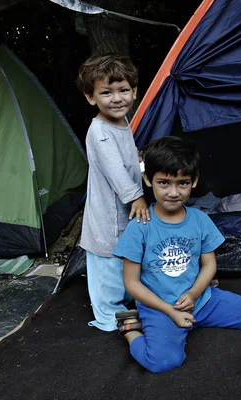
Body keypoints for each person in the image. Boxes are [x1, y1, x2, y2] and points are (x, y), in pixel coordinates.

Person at [112, 136, 241, 374]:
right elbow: (131, 282)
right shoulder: (140, 226)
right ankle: (131, 330)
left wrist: (193, 293)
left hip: (202, 301)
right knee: (162, 362)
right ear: (148, 179)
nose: (173, 192)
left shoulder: (200, 219)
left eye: (183, 183)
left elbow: (209, 265)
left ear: (194, 181)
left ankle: (191, 318)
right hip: (160, 309)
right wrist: (170, 311)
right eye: (164, 183)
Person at [77, 53, 150, 332]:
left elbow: (128, 156)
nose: (117, 99)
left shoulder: (121, 122)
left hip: (124, 208)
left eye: (124, 91)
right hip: (108, 212)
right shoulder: (100, 131)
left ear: (134, 92)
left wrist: (141, 166)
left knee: (125, 255)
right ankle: (108, 315)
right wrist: (136, 195)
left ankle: (128, 299)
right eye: (107, 93)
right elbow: (114, 170)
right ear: (91, 97)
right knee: (107, 261)